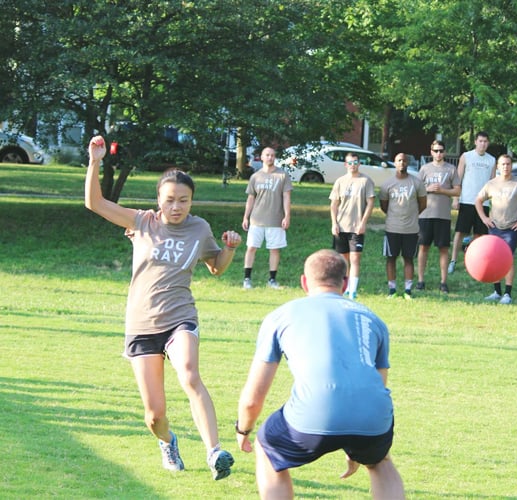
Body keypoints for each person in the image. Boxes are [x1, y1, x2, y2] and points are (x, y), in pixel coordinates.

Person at [84, 136, 237, 480]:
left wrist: (229, 249)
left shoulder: (200, 229)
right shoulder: (142, 222)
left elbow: (216, 266)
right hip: (141, 324)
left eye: (184, 200)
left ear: (191, 201)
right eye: (170, 200)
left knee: (189, 374)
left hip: (180, 317)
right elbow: (95, 203)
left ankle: (215, 452)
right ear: (158, 200)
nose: (176, 207)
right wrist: (95, 161)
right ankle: (167, 442)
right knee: (154, 416)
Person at [235, 249, 405, 499]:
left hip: (314, 413)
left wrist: (243, 429)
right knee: (379, 460)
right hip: (372, 415)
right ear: (344, 283)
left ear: (304, 282)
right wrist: (356, 443)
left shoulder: (281, 316)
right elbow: (378, 382)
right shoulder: (372, 319)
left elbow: (253, 398)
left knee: (267, 446)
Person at [475, 154, 517, 305]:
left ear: (511, 165)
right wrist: (484, 218)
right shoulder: (491, 184)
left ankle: (507, 293)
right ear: (498, 166)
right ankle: (497, 292)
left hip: (511, 228)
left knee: (508, 259)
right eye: (502, 164)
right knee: (494, 259)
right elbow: (478, 200)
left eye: (508, 164)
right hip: (494, 227)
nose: (505, 167)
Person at [242, 147, 292, 289]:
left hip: (276, 219)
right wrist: (246, 217)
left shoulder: (282, 175)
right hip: (256, 219)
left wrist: (287, 216)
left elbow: (286, 197)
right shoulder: (255, 176)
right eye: (267, 155)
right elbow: (251, 198)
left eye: (272, 155)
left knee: (274, 249)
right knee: (251, 248)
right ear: (262, 157)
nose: (270, 157)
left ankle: (272, 280)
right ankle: (247, 279)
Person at [379, 153, 427, 299]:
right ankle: (392, 290)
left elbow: (423, 204)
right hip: (392, 228)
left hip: (411, 229)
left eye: (404, 160)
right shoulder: (387, 184)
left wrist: (411, 215)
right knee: (391, 258)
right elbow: (384, 206)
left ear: (407, 163)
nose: (402, 163)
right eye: (399, 160)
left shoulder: (416, 183)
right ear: (395, 163)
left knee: (408, 259)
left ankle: (407, 290)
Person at [416, 140, 461, 293]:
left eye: (441, 150)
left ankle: (443, 282)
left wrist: (443, 191)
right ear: (431, 152)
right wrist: (428, 189)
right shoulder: (425, 169)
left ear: (445, 152)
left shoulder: (451, 169)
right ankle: (420, 281)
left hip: (443, 216)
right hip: (425, 214)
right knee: (423, 247)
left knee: (443, 249)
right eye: (436, 151)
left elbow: (457, 191)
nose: (438, 153)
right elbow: (416, 189)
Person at [448, 131, 496, 274]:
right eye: (480, 141)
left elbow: (493, 183)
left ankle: (472, 260)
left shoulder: (491, 160)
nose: (483, 144)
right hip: (467, 200)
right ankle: (453, 260)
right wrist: (456, 198)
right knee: (460, 232)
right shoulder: (466, 156)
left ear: (488, 143)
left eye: (485, 141)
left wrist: (493, 204)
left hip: (483, 203)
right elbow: (458, 179)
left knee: (479, 234)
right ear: (475, 142)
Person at [330, 152, 375, 300]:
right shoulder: (340, 181)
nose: (353, 165)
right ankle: (344, 288)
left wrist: (363, 223)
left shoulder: (366, 181)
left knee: (355, 258)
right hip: (341, 226)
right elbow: (334, 205)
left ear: (359, 164)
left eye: (355, 162)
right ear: (345, 164)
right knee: (343, 260)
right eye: (350, 163)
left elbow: (370, 203)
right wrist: (334, 223)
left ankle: (353, 291)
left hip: (357, 227)